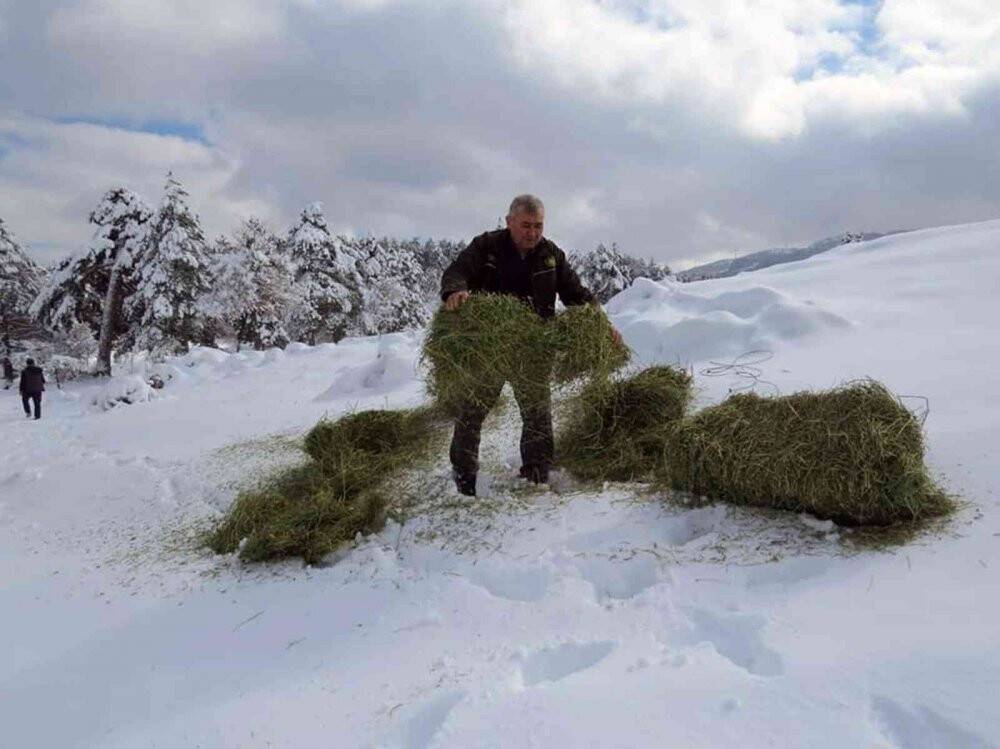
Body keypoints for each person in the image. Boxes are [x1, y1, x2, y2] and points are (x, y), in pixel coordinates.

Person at [440, 194, 621, 496]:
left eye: (538, 226)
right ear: (509, 221)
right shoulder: (487, 247)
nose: (532, 233)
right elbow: (456, 272)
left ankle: (536, 475)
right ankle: (464, 477)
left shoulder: (550, 256)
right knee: (472, 410)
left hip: (533, 348)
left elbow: (577, 295)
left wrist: (603, 326)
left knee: (537, 413)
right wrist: (455, 291)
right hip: (489, 348)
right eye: (526, 225)